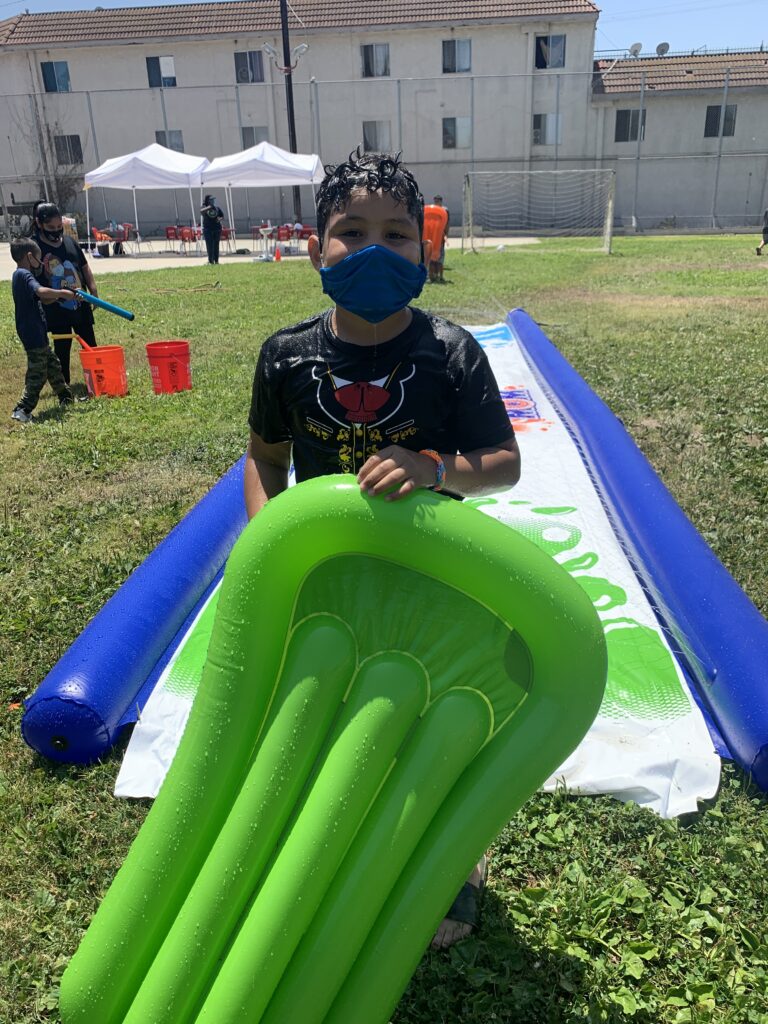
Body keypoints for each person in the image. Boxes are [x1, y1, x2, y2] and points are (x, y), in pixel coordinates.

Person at [245, 149, 520, 947]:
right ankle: (329, 842)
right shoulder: (287, 356)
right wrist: (271, 540)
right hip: (327, 580)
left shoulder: (450, 353)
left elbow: (502, 465)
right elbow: (265, 457)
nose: (373, 250)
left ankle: (456, 868)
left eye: (396, 234)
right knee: (328, 713)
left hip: (430, 574)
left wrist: (432, 466)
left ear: (423, 248)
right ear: (313, 248)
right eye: (349, 231)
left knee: (435, 722)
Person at [31, 201, 99, 386]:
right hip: (56, 307)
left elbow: (84, 267)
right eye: (50, 227)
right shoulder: (35, 248)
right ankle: (64, 385)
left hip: (80, 303)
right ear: (39, 224)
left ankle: (97, 376)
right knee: (62, 346)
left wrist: (93, 289)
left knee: (89, 342)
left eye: (59, 227)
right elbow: (31, 280)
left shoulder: (69, 242)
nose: (56, 231)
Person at [10, 237, 76, 423]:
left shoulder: (21, 276)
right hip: (32, 333)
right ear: (29, 256)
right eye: (39, 260)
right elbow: (41, 292)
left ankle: (65, 397)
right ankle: (22, 409)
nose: (40, 265)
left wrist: (63, 296)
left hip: (36, 331)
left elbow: (45, 298)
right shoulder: (24, 274)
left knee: (53, 366)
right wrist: (62, 293)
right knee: (37, 373)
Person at [422, 194, 450, 283]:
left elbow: (446, 225)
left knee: (439, 260)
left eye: (438, 200)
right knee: (430, 259)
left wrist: (446, 236)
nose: (436, 202)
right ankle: (431, 276)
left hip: (440, 239)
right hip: (430, 239)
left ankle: (439, 276)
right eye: (435, 200)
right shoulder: (429, 210)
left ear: (441, 201)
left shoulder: (444, 210)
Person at [200, 194, 224, 264]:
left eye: (213, 200)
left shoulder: (217, 208)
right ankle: (211, 261)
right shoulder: (204, 208)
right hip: (208, 230)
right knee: (210, 245)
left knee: (216, 245)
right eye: (211, 200)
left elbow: (222, 216)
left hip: (217, 229)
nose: (213, 201)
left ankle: (216, 260)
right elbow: (201, 211)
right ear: (208, 201)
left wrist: (219, 219)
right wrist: (210, 207)